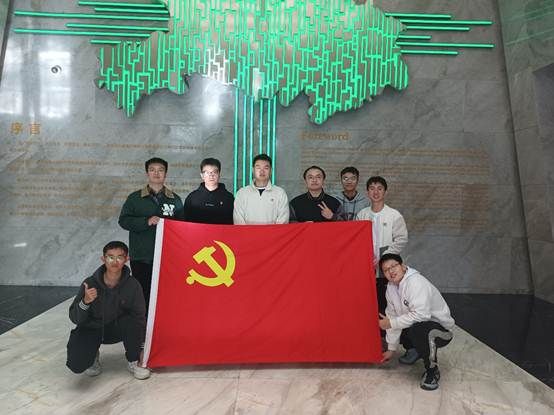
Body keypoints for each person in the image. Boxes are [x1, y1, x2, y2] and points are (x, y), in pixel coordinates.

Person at [66, 241, 151, 380]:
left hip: (118, 329)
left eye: (120, 257)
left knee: (133, 321)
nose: (115, 262)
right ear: (103, 259)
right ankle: (92, 354)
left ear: (126, 259)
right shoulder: (90, 283)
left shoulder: (133, 285)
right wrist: (85, 301)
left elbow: (140, 317)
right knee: (77, 364)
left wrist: (141, 349)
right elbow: (75, 318)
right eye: (110, 257)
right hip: (93, 328)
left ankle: (134, 360)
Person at [378, 253, 454, 391]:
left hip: (441, 331)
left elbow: (422, 315)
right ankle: (414, 350)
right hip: (420, 325)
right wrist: (391, 349)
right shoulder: (391, 288)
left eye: (393, 266)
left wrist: (391, 323)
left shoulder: (416, 283)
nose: (391, 271)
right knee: (391, 321)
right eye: (386, 270)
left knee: (418, 329)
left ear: (403, 266)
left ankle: (432, 371)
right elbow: (392, 316)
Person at [118, 157, 183, 314]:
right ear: (147, 173)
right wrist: (146, 221)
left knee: (165, 293)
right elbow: (124, 221)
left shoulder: (174, 199)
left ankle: (162, 323)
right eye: (152, 170)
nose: (156, 173)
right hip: (142, 255)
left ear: (165, 174)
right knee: (142, 294)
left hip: (167, 257)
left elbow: (182, 227)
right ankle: (142, 324)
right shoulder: (135, 198)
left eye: (160, 170)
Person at [356, 176, 408, 314]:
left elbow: (401, 239)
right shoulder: (362, 214)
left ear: (385, 192)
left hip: (388, 265)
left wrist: (383, 256)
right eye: (372, 188)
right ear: (367, 192)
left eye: (379, 188)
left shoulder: (394, 215)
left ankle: (389, 326)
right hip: (367, 264)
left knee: (388, 300)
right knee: (368, 300)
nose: (376, 192)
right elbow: (357, 240)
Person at [233, 154, 289, 224]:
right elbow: (238, 221)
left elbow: (283, 221)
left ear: (271, 170)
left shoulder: (280, 193)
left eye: (266, 168)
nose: (262, 171)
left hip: (274, 232)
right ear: (253, 170)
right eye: (258, 167)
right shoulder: (241, 193)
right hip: (247, 232)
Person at [183, 158, 234, 224]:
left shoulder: (229, 198)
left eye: (214, 172)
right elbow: (185, 222)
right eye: (207, 172)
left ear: (219, 174)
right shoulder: (192, 198)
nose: (211, 175)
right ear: (202, 175)